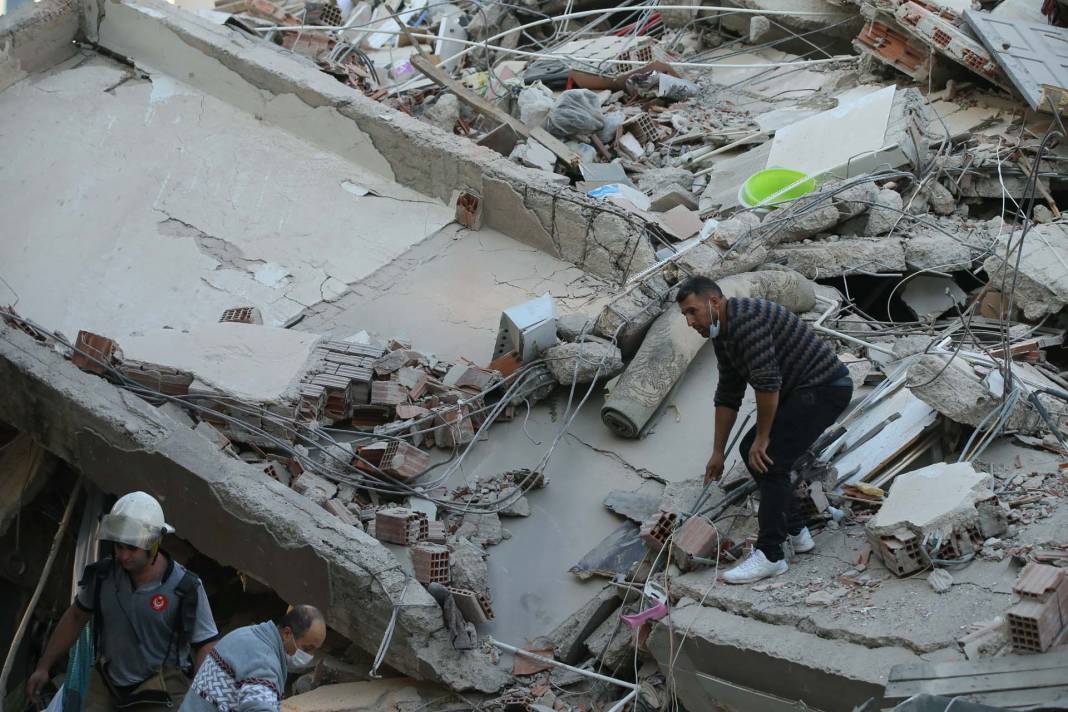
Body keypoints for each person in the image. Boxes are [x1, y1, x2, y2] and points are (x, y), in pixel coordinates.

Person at [677, 276, 853, 584]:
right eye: (685, 316)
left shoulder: (747, 321)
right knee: (751, 450)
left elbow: (767, 384)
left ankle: (771, 554)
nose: (690, 322)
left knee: (769, 455)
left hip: (826, 387)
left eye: (693, 311)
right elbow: (728, 395)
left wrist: (763, 438)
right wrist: (717, 452)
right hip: (801, 391)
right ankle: (797, 531)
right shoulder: (723, 334)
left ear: (714, 302)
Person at [27, 492, 220, 711]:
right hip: (109, 683)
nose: (124, 556)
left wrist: (198, 697)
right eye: (119, 547)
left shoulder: (185, 588)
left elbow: (206, 644)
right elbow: (76, 616)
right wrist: (44, 666)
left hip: (161, 689)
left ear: (153, 544)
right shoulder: (103, 577)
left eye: (132, 548)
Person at [180, 605, 326, 712]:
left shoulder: (247, 635)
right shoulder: (264, 662)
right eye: (307, 648)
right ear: (287, 633)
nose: (310, 656)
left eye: (314, 650)